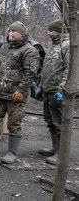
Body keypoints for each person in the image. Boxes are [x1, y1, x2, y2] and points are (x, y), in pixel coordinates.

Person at [0, 21, 40, 164]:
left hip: (16, 94)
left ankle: (12, 152)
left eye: (14, 31)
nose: (10, 34)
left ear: (22, 34)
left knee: (14, 123)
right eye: (10, 31)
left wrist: (21, 90)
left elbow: (31, 73)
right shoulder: (5, 47)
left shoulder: (29, 51)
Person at [37, 19, 69, 165]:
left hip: (58, 91)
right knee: (50, 120)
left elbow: (71, 70)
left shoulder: (68, 46)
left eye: (51, 30)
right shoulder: (55, 46)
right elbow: (49, 68)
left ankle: (61, 154)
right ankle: (55, 148)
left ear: (59, 31)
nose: (48, 33)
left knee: (60, 123)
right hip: (48, 89)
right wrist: (40, 85)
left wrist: (62, 89)